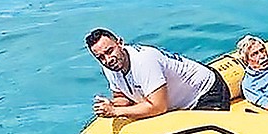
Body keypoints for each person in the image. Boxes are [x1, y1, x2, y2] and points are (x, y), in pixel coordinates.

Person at [86, 27, 230, 120]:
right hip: (177, 104)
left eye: (109, 51)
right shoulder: (109, 67)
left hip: (207, 93)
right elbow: (122, 95)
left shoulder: (144, 61)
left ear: (120, 43)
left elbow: (158, 107)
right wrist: (112, 105)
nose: (107, 59)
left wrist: (116, 112)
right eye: (100, 57)